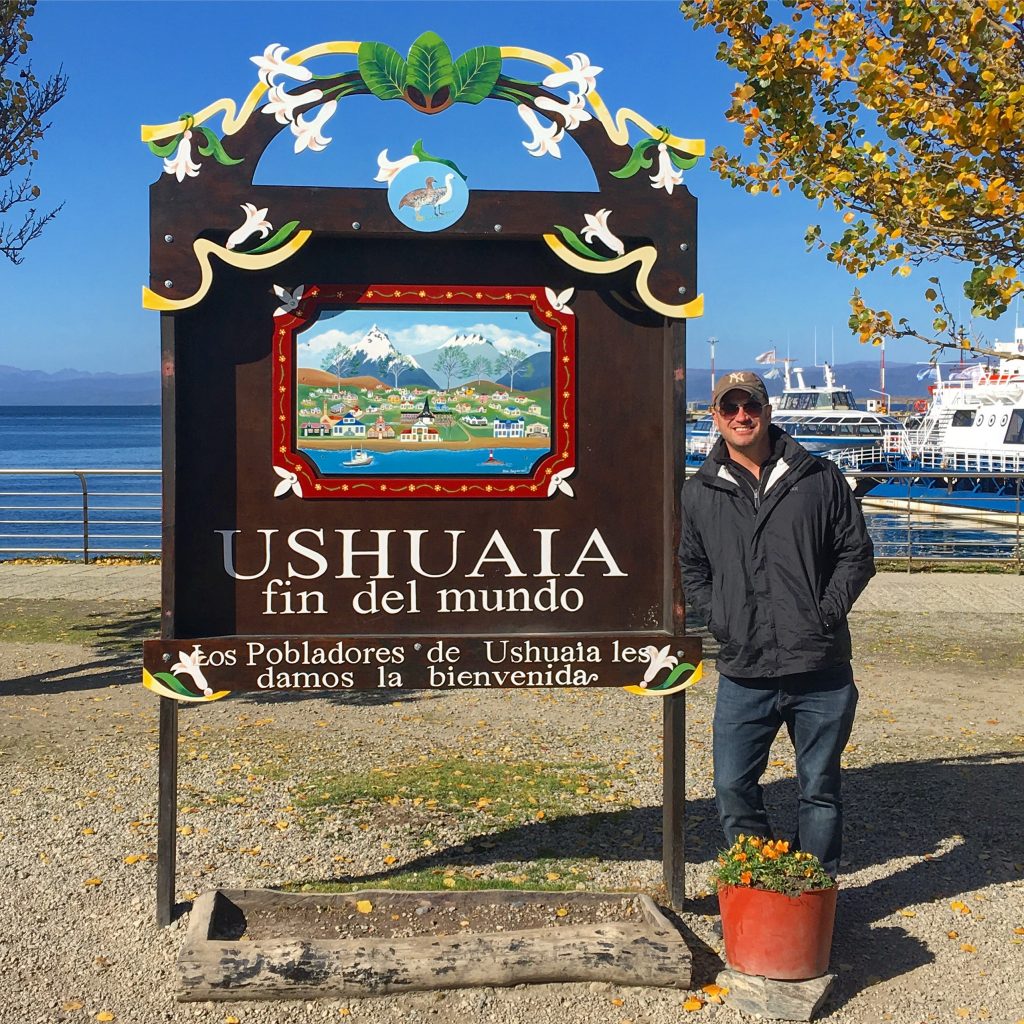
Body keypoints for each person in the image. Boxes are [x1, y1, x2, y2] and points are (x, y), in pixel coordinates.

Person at [679, 370, 875, 877]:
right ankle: (760, 881)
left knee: (819, 787)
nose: (742, 416)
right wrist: (721, 618)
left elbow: (855, 555)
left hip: (819, 665)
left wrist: (822, 614)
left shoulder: (818, 478)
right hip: (745, 668)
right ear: (716, 417)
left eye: (751, 406)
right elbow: (691, 568)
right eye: (730, 408)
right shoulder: (700, 491)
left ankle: (813, 889)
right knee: (731, 785)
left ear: (768, 412)